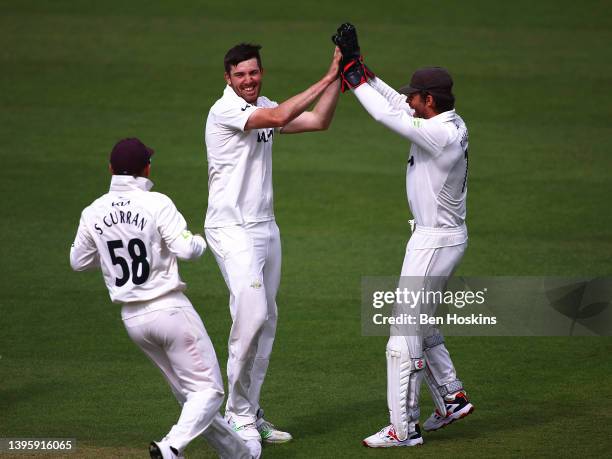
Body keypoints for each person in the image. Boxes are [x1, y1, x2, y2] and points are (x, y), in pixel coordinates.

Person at [69, 138, 260, 459]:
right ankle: (171, 447)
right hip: (168, 310)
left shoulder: (93, 211)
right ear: (147, 168)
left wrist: (109, 248)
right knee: (209, 391)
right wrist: (199, 241)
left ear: (111, 169)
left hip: (133, 319)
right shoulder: (156, 203)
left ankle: (241, 455)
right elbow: (186, 248)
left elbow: (78, 261)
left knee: (192, 397)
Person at [332, 24, 474, 447]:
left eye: (416, 94)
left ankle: (403, 428)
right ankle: (452, 398)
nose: (409, 97)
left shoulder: (439, 133)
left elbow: (385, 113)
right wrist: (361, 68)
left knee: (401, 336)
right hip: (442, 238)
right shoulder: (445, 120)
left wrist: (353, 78)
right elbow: (397, 103)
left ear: (429, 101)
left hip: (433, 242)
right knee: (421, 325)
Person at [203, 43, 341, 444]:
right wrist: (328, 76)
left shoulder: (262, 104)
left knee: (267, 323)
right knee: (253, 314)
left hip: (265, 228)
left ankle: (249, 409)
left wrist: (343, 78)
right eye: (240, 74)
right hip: (231, 228)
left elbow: (318, 121)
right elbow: (282, 115)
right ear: (227, 78)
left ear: (261, 73)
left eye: (253, 73)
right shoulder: (224, 110)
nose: (248, 80)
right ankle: (235, 414)